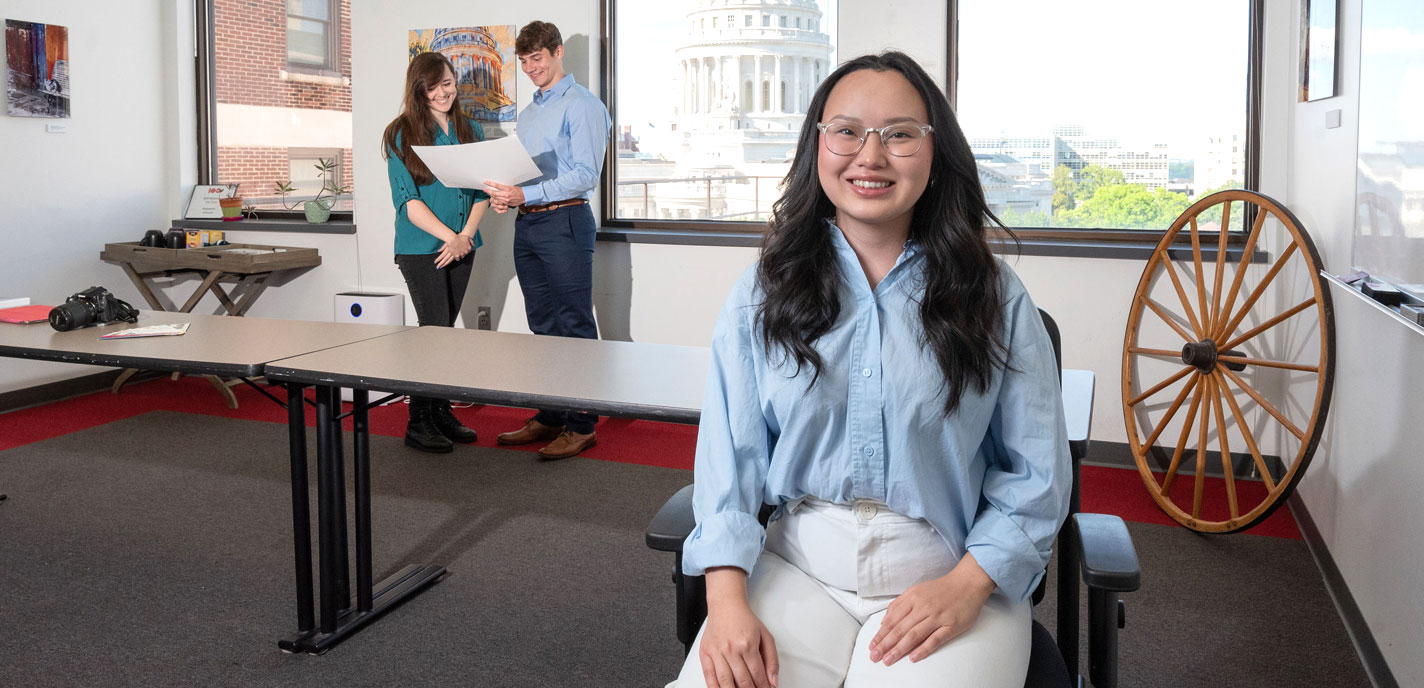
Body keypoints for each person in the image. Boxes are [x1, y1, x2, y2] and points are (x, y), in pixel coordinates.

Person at [674, 51, 1070, 688]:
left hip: (945, 573)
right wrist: (724, 604)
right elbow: (730, 463)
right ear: (818, 146)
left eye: (900, 134)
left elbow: (1037, 475)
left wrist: (969, 586)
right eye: (848, 131)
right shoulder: (763, 292)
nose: (871, 155)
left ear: (935, 152)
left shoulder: (993, 295)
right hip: (799, 566)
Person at [484, 21, 612, 460]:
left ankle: (583, 426)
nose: (530, 67)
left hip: (566, 222)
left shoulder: (583, 106)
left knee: (573, 326)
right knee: (541, 325)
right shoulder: (530, 113)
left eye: (537, 58)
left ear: (558, 52)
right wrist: (508, 196)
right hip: (529, 223)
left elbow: (584, 176)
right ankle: (552, 414)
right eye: (523, 61)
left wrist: (528, 193)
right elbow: (524, 173)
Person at [382, 51, 490, 454]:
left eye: (447, 82)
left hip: (464, 245)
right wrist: (452, 237)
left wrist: (466, 237)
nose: (442, 92)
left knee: (445, 336)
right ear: (418, 90)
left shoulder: (470, 130)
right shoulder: (400, 132)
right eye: (432, 86)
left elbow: (483, 190)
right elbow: (407, 201)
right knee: (433, 334)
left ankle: (440, 410)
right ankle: (417, 421)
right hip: (421, 248)